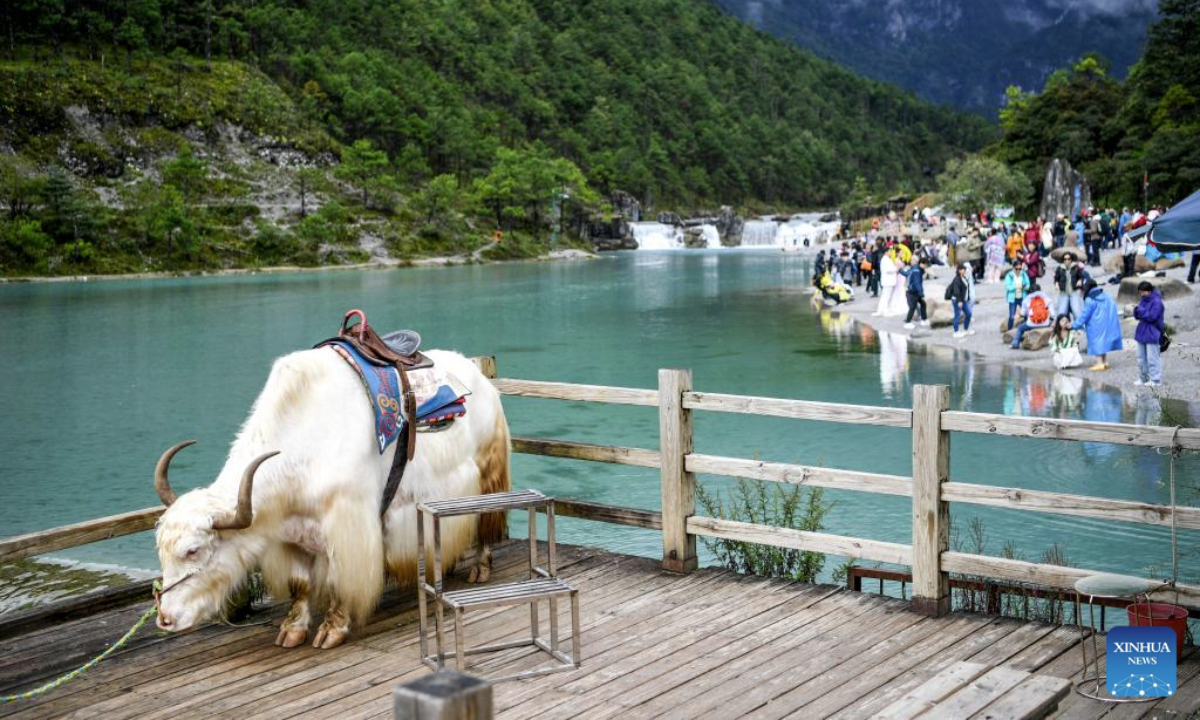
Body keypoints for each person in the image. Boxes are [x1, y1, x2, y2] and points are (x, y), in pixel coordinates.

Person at [1072, 280, 1123, 371]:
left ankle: (1100, 363)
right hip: (1107, 323)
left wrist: (1074, 325)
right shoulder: (1105, 295)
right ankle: (1105, 361)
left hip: (1095, 324)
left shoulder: (1090, 299)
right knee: (1102, 343)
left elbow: (1084, 315)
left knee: (1097, 343)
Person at [1132, 280, 1164, 387]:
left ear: (1149, 291)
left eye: (1143, 292)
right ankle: (1143, 378)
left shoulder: (1157, 302)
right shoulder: (1143, 300)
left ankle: (1155, 380)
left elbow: (1153, 317)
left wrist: (1140, 311)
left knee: (1152, 357)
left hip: (1153, 332)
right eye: (1140, 292)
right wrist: (1136, 311)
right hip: (1142, 331)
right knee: (1140, 358)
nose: (1142, 294)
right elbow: (1139, 316)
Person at [1009, 284, 1053, 349]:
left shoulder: (1027, 299)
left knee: (1020, 328)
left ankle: (1015, 343)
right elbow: (1053, 314)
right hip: (1045, 323)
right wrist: (1051, 321)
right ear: (1040, 290)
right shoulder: (1046, 298)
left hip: (1031, 324)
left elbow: (1023, 314)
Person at [944, 262, 975, 339]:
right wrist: (959, 301)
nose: (964, 271)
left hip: (963, 299)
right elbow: (956, 291)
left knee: (969, 313)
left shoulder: (964, 278)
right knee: (957, 315)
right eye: (963, 269)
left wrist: (967, 299)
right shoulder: (957, 279)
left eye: (964, 269)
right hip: (957, 300)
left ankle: (965, 329)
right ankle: (956, 332)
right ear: (959, 270)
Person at [1053, 252, 1087, 320]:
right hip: (1064, 292)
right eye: (1065, 259)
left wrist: (1080, 281)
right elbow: (1056, 278)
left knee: (1076, 310)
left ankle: (1080, 327)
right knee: (1062, 311)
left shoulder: (1076, 267)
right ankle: (1061, 327)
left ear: (1071, 260)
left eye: (1068, 259)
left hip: (1074, 292)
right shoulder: (1059, 268)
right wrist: (1056, 284)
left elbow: (1081, 277)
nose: (1067, 261)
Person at [900, 257, 930, 329]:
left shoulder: (916, 268)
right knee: (912, 307)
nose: (926, 267)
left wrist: (900, 270)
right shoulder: (917, 271)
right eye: (926, 265)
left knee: (923, 304)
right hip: (912, 292)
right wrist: (921, 293)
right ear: (922, 264)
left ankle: (924, 320)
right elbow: (917, 283)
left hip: (913, 291)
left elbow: (907, 273)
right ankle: (907, 322)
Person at [1004, 260, 1031, 330]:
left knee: (1026, 314)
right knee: (1011, 316)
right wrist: (1016, 286)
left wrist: (1025, 287)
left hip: (1022, 297)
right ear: (1013, 268)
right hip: (1013, 298)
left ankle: (1027, 328)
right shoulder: (1009, 276)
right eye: (1017, 269)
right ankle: (1009, 329)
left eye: (1020, 269)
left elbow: (1028, 284)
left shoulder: (1024, 274)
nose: (1018, 270)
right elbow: (1008, 287)